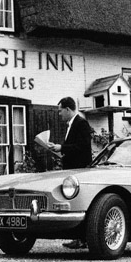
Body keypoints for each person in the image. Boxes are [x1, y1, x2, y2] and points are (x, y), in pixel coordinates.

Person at [48, 97, 92, 249]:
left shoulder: (82, 123)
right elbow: (73, 147)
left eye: (60, 111)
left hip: (79, 170)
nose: (59, 114)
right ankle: (78, 238)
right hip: (71, 169)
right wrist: (59, 149)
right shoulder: (71, 125)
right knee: (72, 203)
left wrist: (62, 148)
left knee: (79, 203)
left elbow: (83, 147)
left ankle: (83, 239)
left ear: (68, 109)